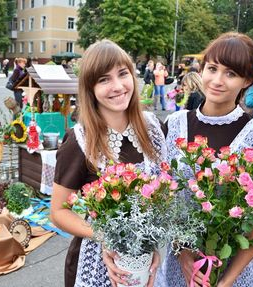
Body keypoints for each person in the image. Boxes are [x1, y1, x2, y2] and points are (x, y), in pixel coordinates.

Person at [156, 32, 253, 287]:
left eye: (230, 73)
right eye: (212, 68)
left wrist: (226, 280)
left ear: (247, 80)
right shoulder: (174, 125)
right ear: (203, 68)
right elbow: (163, 199)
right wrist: (183, 253)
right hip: (181, 270)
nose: (217, 80)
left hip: (235, 272)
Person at [50, 39, 167, 287]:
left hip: (143, 261)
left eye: (122, 74)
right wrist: (107, 237)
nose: (117, 86)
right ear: (90, 88)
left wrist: (150, 244)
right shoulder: (79, 140)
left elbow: (159, 195)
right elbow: (58, 212)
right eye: (104, 79)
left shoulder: (152, 128)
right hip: (94, 262)